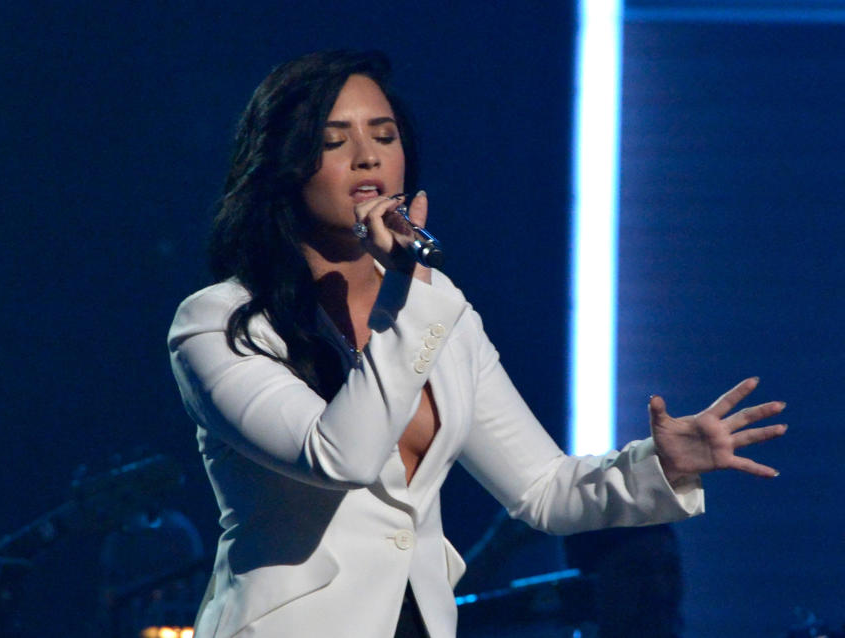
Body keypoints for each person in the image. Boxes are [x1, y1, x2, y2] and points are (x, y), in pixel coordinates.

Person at [167, 49, 787, 638]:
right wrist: (410, 294)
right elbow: (340, 457)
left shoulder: (444, 315)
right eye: (334, 142)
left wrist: (658, 465)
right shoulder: (221, 323)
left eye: (384, 136)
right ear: (282, 165)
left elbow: (543, 490)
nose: (366, 158)